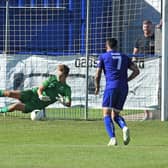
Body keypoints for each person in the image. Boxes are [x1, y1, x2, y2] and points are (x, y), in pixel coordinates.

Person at [95, 38, 139, 146]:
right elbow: (136, 71)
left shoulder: (103, 56)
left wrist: (96, 87)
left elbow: (97, 74)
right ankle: (124, 127)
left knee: (106, 114)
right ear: (116, 46)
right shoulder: (124, 56)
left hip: (111, 87)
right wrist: (127, 80)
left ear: (107, 45)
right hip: (123, 87)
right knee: (116, 114)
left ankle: (113, 138)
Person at [0, 64, 71, 114]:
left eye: (60, 73)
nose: (58, 74)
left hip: (36, 105)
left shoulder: (67, 89)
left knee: (15, 106)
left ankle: (1, 110)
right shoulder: (52, 79)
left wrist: (63, 102)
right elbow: (40, 89)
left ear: (65, 75)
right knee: (10, 93)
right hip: (32, 94)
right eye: (58, 72)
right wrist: (40, 96)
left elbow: (68, 103)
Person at [133, 20, 154, 121]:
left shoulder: (156, 38)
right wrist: (133, 60)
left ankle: (157, 111)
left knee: (154, 89)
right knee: (143, 89)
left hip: (153, 67)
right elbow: (135, 52)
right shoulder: (139, 39)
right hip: (142, 68)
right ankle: (146, 113)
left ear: (151, 27)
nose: (146, 29)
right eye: (144, 27)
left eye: (148, 27)